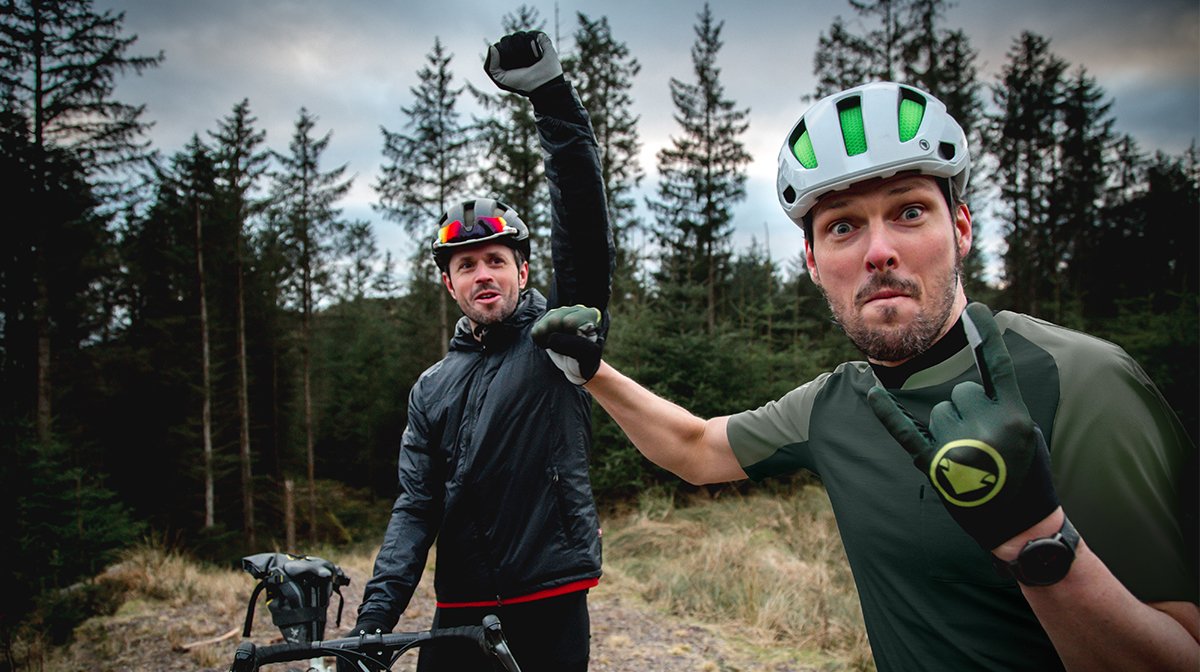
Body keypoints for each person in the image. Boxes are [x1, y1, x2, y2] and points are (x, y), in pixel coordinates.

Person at [532, 81, 1199, 671]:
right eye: (844, 226)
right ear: (815, 263)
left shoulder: (1082, 381)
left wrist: (1038, 541)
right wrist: (593, 372)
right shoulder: (839, 402)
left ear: (960, 228)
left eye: (909, 211)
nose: (879, 251)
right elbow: (697, 448)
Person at [345, 30, 614, 672]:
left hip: (550, 596)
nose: (482, 274)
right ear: (448, 283)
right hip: (460, 607)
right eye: (466, 265)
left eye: (496, 259)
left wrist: (551, 97)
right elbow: (416, 506)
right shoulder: (431, 387)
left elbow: (581, 220)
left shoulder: (559, 337)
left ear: (523, 270)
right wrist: (373, 626)